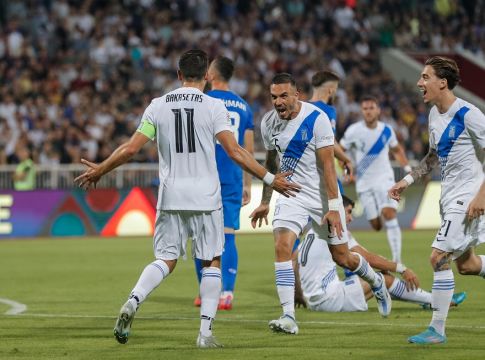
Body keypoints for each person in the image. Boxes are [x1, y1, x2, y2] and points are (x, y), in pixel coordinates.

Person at [74, 49, 300, 348]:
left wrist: (100, 169)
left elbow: (130, 149)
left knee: (165, 259)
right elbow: (236, 152)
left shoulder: (158, 105)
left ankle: (133, 300)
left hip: (171, 196)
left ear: (179, 75)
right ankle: (205, 334)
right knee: (212, 260)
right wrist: (270, 178)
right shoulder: (213, 106)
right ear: (207, 76)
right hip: (206, 196)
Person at [249, 73, 392, 336]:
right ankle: (288, 315)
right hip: (292, 195)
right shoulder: (268, 122)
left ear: (297, 95)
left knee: (343, 257)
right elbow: (271, 163)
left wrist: (334, 208)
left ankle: (376, 280)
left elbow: (328, 166)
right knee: (282, 245)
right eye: (273, 97)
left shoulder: (317, 118)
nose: (278, 102)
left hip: (322, 197)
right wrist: (265, 202)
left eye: (283, 96)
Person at [389, 56, 485, 345]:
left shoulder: (469, 114)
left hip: (469, 197)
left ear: (442, 82)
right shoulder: (434, 115)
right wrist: (406, 180)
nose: (419, 83)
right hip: (449, 197)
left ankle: (437, 330)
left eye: (425, 77)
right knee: (466, 265)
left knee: (438, 257)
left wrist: (481, 195)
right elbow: (433, 158)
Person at [294, 195, 467, 312]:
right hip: (329, 299)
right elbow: (368, 258)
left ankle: (428, 299)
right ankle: (435, 300)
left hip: (315, 298)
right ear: (338, 211)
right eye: (348, 212)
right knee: (382, 280)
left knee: (378, 280)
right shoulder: (337, 230)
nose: (351, 218)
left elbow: (295, 259)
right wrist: (402, 268)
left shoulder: (313, 230)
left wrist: (299, 294)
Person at [193, 56, 254, 310]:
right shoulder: (244, 107)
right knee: (228, 236)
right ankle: (226, 293)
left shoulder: (203, 102)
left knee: (199, 236)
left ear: (212, 75)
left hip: (203, 176)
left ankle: (205, 293)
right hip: (232, 178)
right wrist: (248, 184)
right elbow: (248, 148)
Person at [340, 95, 412, 262]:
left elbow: (397, 150)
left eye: (372, 108)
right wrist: (346, 170)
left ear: (378, 110)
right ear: (361, 111)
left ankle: (397, 261)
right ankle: (378, 215)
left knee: (389, 213)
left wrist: (408, 169)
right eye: (365, 108)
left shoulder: (386, 130)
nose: (369, 111)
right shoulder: (353, 131)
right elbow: (339, 151)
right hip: (364, 184)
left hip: (385, 180)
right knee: (376, 225)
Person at [309, 70, 352, 187]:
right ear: (331, 90)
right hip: (321, 172)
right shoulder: (328, 110)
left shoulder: (302, 107)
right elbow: (329, 141)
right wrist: (346, 159)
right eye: (336, 88)